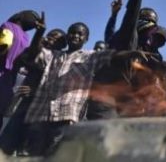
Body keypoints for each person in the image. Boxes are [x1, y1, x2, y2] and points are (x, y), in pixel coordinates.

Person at [21, 21, 144, 156]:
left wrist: (132, 53)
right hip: (41, 113)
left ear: (86, 39)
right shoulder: (52, 55)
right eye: (72, 32)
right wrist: (39, 33)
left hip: (66, 116)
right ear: (67, 35)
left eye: (80, 34)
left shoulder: (89, 57)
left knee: (55, 154)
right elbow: (34, 53)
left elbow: (112, 55)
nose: (75, 36)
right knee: (34, 154)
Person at [87, 0, 156, 120]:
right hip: (105, 98)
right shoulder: (128, 33)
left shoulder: (139, 48)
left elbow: (109, 36)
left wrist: (113, 16)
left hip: (118, 100)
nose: (148, 25)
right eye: (146, 19)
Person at [0, 28, 67, 156]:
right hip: (20, 104)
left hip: (39, 110)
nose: (50, 39)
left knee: (26, 150)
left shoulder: (59, 60)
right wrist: (38, 42)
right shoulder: (34, 52)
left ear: (62, 45)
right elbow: (26, 59)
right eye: (50, 35)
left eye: (56, 38)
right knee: (6, 143)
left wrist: (36, 91)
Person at [0, 10, 40, 130]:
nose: (35, 21)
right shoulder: (15, 30)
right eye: (34, 17)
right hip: (6, 74)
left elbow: (6, 44)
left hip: (6, 74)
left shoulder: (16, 31)